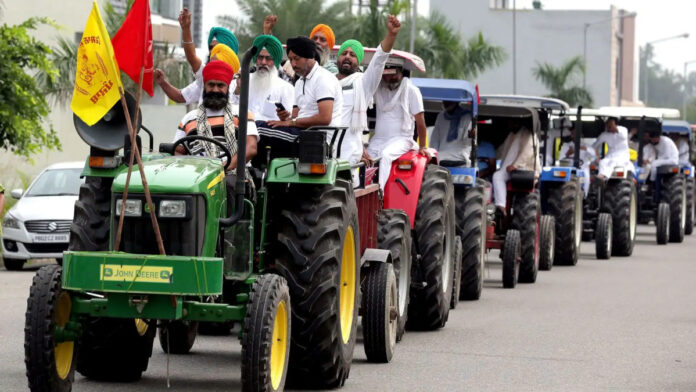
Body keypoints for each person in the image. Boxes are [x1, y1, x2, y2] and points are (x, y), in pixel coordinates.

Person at [334, 14, 402, 184]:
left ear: (359, 62)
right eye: (344, 53)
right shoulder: (327, 83)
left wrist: (391, 35)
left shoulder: (363, 84)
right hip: (321, 160)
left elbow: (379, 61)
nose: (348, 56)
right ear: (338, 58)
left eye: (353, 54)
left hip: (347, 164)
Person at [255, 36, 342, 159]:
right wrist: (286, 117)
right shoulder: (300, 82)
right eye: (290, 59)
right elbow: (296, 117)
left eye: (297, 59)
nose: (293, 64)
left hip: (318, 139)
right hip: (302, 134)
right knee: (257, 133)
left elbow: (325, 118)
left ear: (309, 57)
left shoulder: (324, 79)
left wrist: (290, 122)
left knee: (256, 128)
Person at [173, 60, 258, 171]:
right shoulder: (189, 118)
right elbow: (177, 151)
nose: (215, 89)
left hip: (233, 177)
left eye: (220, 85)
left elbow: (251, 148)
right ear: (205, 86)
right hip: (196, 176)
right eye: (211, 85)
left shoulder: (242, 114)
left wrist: (223, 167)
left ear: (227, 87)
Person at [364, 57, 427, 189]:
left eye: (393, 74)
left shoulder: (412, 90)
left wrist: (423, 147)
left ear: (401, 72)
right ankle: (362, 192)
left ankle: (378, 193)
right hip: (379, 139)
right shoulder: (379, 88)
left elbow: (420, 122)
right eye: (386, 75)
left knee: (386, 156)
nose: (389, 78)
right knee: (365, 158)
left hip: (402, 139)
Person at [155, 9, 239, 103]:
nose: (212, 52)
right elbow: (180, 96)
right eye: (211, 48)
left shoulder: (242, 81)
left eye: (217, 48)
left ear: (229, 51)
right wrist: (163, 83)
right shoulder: (205, 75)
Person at [231, 35, 294, 122]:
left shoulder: (286, 88)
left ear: (275, 61)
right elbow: (231, 110)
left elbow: (289, 119)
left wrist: (285, 117)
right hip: (243, 131)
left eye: (268, 58)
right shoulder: (241, 81)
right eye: (260, 57)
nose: (263, 62)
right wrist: (238, 90)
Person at [492, 120, 540, 212]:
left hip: (525, 170)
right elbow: (502, 150)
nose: (510, 124)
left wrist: (515, 165)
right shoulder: (511, 135)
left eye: (512, 122)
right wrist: (491, 155)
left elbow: (528, 152)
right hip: (509, 170)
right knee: (497, 176)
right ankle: (501, 206)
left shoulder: (529, 134)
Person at [429, 101, 472, 165]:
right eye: (444, 101)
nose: (445, 103)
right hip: (442, 156)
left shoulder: (467, 116)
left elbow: (467, 143)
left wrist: (471, 136)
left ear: (456, 102)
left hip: (460, 156)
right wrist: (433, 155)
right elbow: (435, 139)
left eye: (449, 102)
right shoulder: (441, 116)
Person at [559, 124, 596, 195]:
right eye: (573, 133)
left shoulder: (585, 145)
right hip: (570, 170)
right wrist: (567, 154)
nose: (575, 135)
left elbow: (593, 155)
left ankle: (584, 195)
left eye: (576, 134)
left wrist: (585, 148)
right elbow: (561, 159)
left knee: (586, 180)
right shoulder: (566, 145)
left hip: (583, 168)